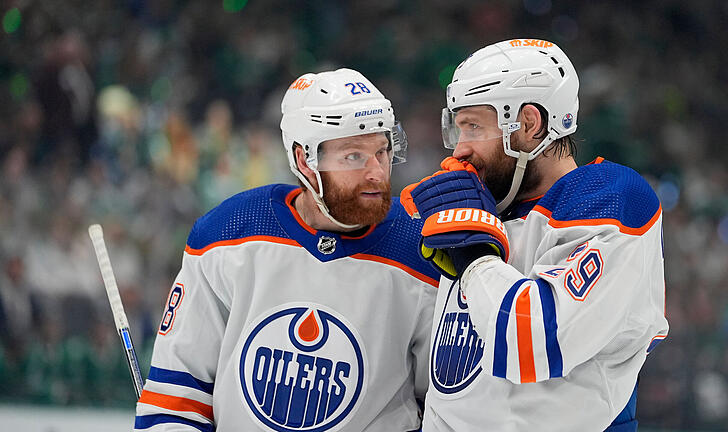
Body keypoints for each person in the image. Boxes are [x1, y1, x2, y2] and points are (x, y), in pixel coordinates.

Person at [134, 68, 439, 431]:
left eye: (382, 151)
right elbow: (176, 400)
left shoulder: (424, 251)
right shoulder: (229, 235)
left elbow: (444, 408)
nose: (376, 172)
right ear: (305, 160)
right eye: (354, 156)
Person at [401, 39, 668, 431]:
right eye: (458, 129)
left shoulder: (609, 197)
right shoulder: (482, 208)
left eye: (474, 126)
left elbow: (533, 344)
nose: (460, 150)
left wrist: (474, 260)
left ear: (529, 124)